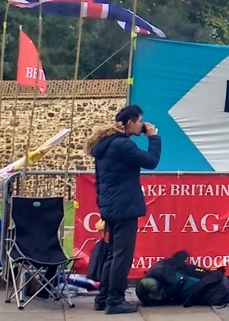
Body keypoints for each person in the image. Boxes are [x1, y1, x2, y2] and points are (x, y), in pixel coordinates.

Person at [85, 105, 161, 315]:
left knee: (112, 253)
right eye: (139, 121)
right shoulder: (122, 145)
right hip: (124, 206)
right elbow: (151, 162)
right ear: (130, 122)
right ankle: (115, 301)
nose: (141, 125)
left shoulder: (107, 144)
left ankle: (103, 298)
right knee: (122, 255)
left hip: (111, 205)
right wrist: (153, 137)